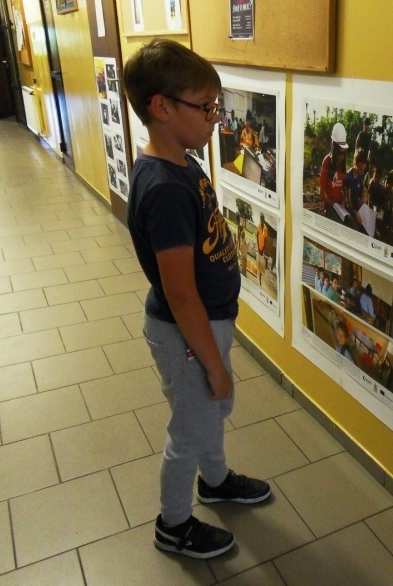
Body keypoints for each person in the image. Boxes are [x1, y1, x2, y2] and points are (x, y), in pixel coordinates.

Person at [123, 39, 270, 561]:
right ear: (162, 108)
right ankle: (174, 523)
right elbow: (181, 293)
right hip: (188, 332)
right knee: (190, 427)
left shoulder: (182, 161)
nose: (215, 118)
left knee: (208, 412)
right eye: (206, 107)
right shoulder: (163, 187)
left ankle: (216, 480)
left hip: (206, 326)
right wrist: (213, 362)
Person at [318, 123, 349, 223]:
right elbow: (322, 193)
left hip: (340, 206)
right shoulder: (327, 161)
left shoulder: (342, 165)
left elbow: (343, 190)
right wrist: (332, 205)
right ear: (334, 150)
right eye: (340, 153)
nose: (342, 157)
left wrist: (343, 203)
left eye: (344, 153)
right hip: (330, 206)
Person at [344, 148, 367, 213]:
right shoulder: (349, 176)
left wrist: (365, 197)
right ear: (355, 164)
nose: (362, 172)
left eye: (363, 170)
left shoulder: (361, 175)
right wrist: (355, 212)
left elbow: (363, 189)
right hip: (351, 210)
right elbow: (348, 202)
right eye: (360, 169)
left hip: (359, 207)